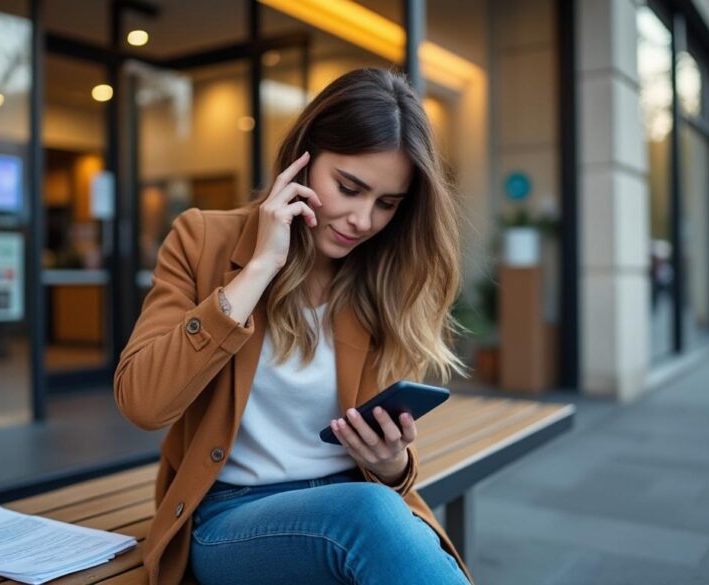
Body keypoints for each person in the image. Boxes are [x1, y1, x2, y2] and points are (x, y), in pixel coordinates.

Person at [114, 69, 473, 585]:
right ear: (302, 157)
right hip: (232, 518)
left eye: (386, 204)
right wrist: (259, 268)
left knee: (369, 513)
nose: (362, 220)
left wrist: (392, 463)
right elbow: (143, 403)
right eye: (349, 188)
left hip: (354, 499)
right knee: (366, 516)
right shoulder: (201, 239)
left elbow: (387, 474)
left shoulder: (381, 278)